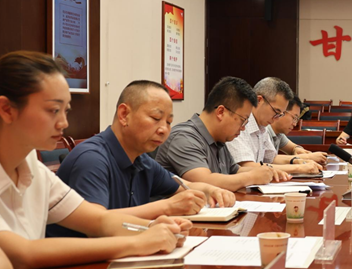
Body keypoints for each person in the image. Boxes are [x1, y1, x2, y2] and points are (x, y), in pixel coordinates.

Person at [0, 51, 189, 268]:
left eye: (65, 111)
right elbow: (23, 253)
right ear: (7, 110)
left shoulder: (34, 170)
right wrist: (139, 242)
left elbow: (99, 220)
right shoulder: (90, 156)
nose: (64, 123)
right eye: (53, 110)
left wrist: (152, 228)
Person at [48, 81, 237, 238]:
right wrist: (167, 207)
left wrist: (211, 190)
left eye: (169, 122)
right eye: (155, 118)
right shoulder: (91, 159)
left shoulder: (142, 160)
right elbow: (97, 223)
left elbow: (185, 186)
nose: (164, 129)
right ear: (124, 115)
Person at [156, 76, 280, 191]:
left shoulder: (219, 138)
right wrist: (252, 177)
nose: (243, 128)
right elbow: (204, 181)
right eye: (243, 120)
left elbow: (236, 171)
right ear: (221, 112)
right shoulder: (184, 137)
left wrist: (266, 171)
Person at [230, 96, 324, 174]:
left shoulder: (265, 129)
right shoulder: (241, 127)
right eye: (277, 112)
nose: (295, 124)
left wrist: (295, 159)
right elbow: (247, 167)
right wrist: (299, 166)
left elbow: (271, 158)